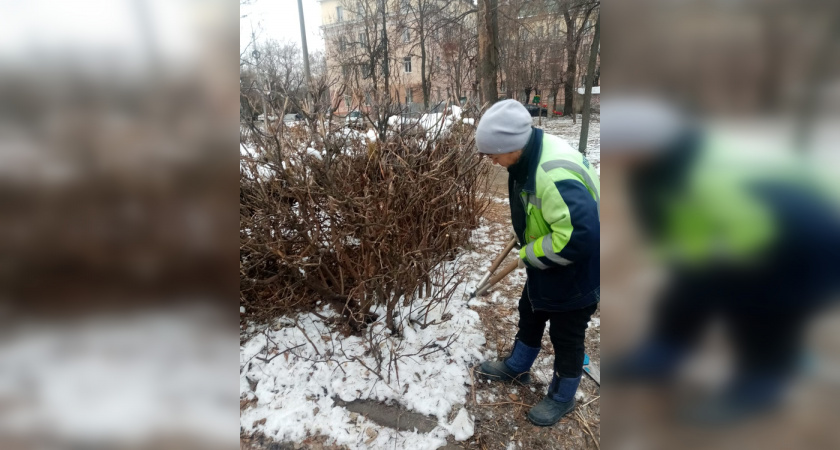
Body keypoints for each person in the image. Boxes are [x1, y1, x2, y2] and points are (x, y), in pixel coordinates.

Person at [604, 98, 840, 425]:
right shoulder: (649, 169)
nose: (609, 156)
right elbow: (664, 225)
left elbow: (753, 244)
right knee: (686, 289)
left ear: (642, 144)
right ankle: (664, 353)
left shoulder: (709, 173)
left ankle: (763, 383)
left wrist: (702, 262)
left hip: (807, 246)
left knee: (760, 308)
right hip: (741, 239)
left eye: (614, 147)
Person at [475, 100, 601, 427]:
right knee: (530, 311)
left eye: (492, 153)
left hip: (575, 274)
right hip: (548, 266)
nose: (490, 159)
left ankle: (563, 397)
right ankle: (518, 365)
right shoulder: (526, 158)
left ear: (511, 145)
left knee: (567, 336)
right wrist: (527, 239)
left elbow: (579, 235)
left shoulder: (553, 172)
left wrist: (530, 253)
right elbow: (541, 212)